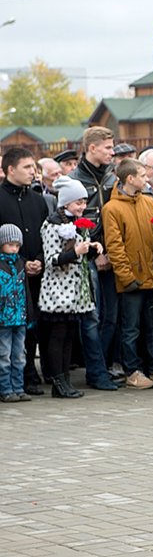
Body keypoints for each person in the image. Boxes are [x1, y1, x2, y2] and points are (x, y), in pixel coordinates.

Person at [102, 158, 153, 389]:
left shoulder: (148, 202)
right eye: (143, 176)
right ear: (130, 179)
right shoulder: (112, 208)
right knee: (131, 328)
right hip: (131, 281)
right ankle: (132, 371)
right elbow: (115, 247)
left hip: (152, 276)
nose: (148, 179)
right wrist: (126, 277)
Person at [38, 176, 101, 399]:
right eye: (78, 203)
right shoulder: (52, 224)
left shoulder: (75, 223)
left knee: (69, 337)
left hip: (74, 290)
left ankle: (64, 381)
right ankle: (57, 381)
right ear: (65, 203)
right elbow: (53, 258)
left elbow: (79, 255)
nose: (82, 207)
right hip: (57, 289)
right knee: (58, 335)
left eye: (84, 202)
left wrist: (93, 248)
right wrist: (78, 251)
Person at [70, 126, 122, 381]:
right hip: (87, 258)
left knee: (111, 316)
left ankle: (104, 365)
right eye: (108, 148)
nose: (113, 152)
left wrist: (111, 252)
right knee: (92, 317)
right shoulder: (74, 180)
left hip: (112, 256)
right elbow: (73, 222)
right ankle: (95, 370)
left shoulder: (113, 179)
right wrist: (95, 252)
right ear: (92, 148)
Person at [0, 147, 48, 395]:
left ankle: (28, 375)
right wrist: (19, 261)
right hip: (6, 278)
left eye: (34, 167)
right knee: (7, 333)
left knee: (31, 327)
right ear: (10, 169)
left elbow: (45, 236)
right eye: (27, 167)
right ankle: (6, 382)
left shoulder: (38, 201)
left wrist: (39, 259)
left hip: (36, 275)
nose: (33, 172)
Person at [0, 223, 32, 402]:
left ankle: (18, 387)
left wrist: (29, 315)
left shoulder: (20, 263)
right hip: (3, 319)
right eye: (10, 244)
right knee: (4, 355)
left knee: (20, 354)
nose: (14, 248)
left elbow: (25, 291)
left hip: (20, 318)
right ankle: (5, 389)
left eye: (17, 245)